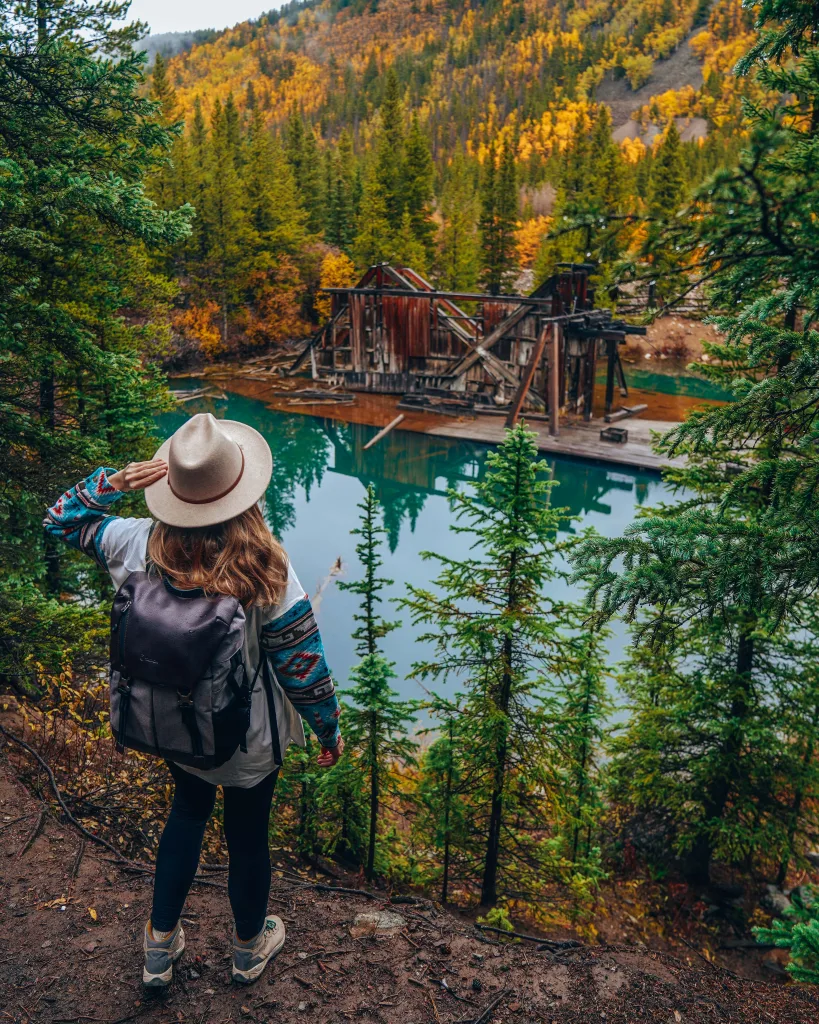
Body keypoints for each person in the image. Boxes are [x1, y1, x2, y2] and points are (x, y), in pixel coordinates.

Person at [44, 413, 344, 988]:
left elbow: (60, 521)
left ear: (172, 490)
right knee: (248, 840)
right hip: (249, 742)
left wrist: (110, 483)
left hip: (177, 729)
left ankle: (159, 949)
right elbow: (302, 666)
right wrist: (327, 731)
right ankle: (247, 950)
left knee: (185, 817)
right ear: (243, 492)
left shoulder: (134, 545)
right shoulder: (267, 567)